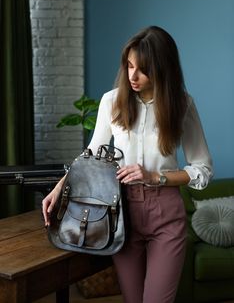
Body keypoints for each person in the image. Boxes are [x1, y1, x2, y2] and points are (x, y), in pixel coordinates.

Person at [42, 26, 213, 303]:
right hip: (120, 212)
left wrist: (156, 176)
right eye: (129, 65)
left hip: (165, 214)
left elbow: (202, 170)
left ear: (162, 68)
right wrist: (57, 190)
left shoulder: (182, 104)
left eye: (143, 69)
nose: (132, 76)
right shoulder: (112, 101)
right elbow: (91, 155)